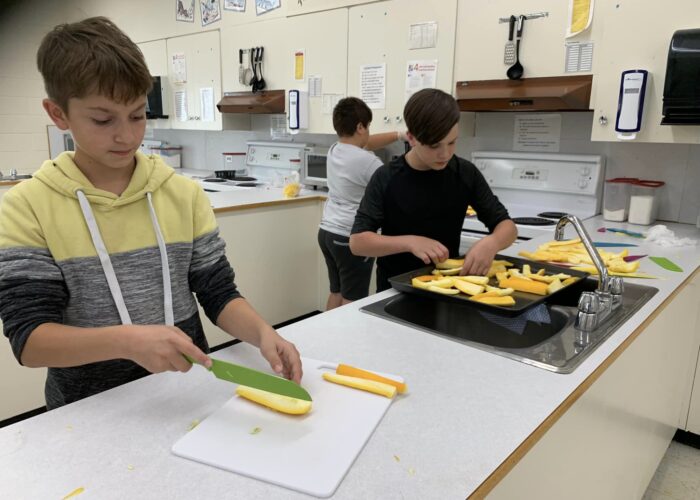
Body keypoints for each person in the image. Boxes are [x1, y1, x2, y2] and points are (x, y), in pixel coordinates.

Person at [0, 17, 302, 410]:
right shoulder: (26, 208)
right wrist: (128, 341)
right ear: (58, 114)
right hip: (88, 410)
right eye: (103, 119)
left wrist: (263, 334)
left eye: (138, 115)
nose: (126, 136)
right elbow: (30, 340)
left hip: (187, 392)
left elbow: (219, 294)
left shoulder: (182, 194)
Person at [349, 88, 517, 291]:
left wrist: (492, 242)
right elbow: (358, 243)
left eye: (452, 142)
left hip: (448, 288)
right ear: (411, 138)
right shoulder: (386, 177)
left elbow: (507, 227)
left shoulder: (465, 173)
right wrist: (410, 242)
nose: (444, 154)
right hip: (395, 292)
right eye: (434, 146)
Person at [318, 97, 404, 309]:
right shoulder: (368, 161)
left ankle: (328, 331)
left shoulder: (334, 149)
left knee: (337, 292)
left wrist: (399, 134)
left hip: (328, 233)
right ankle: (347, 333)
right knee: (353, 300)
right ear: (360, 127)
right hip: (350, 237)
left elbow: (366, 143)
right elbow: (393, 190)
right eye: (368, 126)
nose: (368, 132)